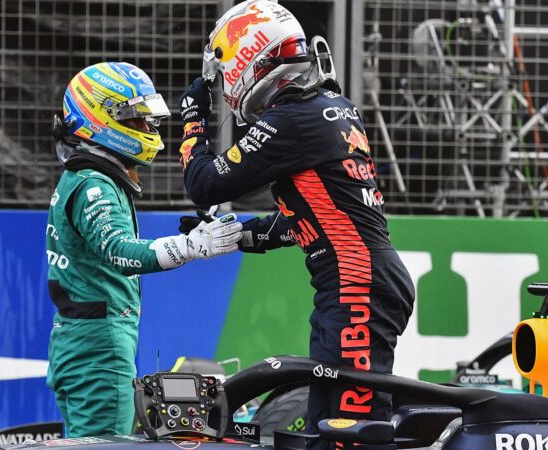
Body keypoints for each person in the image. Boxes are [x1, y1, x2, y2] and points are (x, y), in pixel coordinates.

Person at [177, 2, 415, 449]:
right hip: (357, 281)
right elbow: (310, 216)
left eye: (227, 71)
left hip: (356, 284)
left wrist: (192, 120)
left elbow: (204, 183)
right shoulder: (327, 106)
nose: (225, 84)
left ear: (250, 58)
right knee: (325, 430)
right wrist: (242, 235)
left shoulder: (290, 120)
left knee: (353, 434)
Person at [46, 61, 243, 437]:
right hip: (98, 345)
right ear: (103, 120)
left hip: (85, 339)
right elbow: (118, 250)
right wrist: (190, 247)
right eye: (138, 119)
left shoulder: (87, 177)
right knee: (104, 447)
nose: (150, 128)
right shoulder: (95, 185)